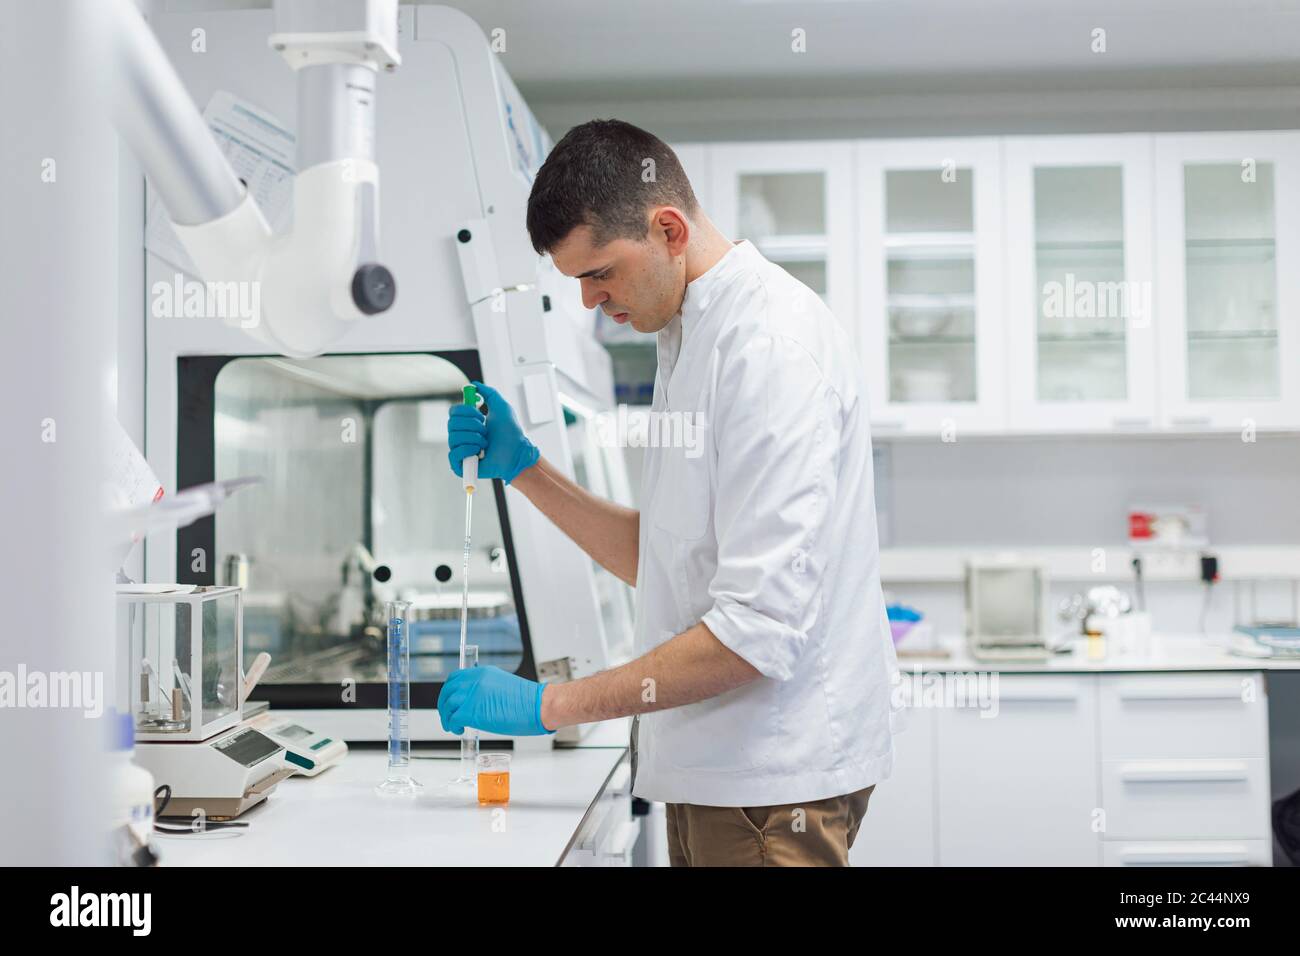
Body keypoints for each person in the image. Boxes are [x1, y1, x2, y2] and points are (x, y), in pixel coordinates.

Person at [438, 119, 898, 867]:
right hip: (719, 769)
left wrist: (548, 705)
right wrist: (522, 469)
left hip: (770, 784)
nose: (590, 301)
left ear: (669, 229)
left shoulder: (769, 350)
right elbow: (670, 555)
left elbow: (754, 631)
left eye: (601, 273)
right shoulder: (687, 334)